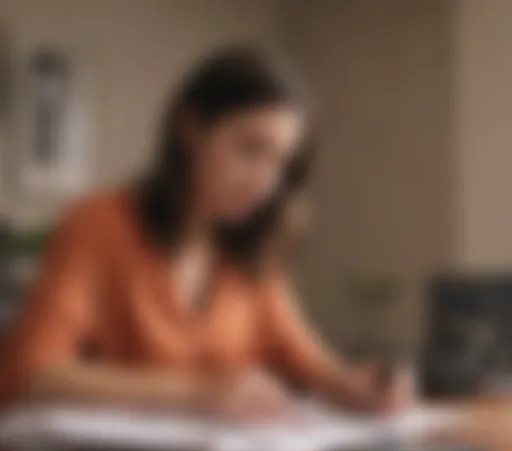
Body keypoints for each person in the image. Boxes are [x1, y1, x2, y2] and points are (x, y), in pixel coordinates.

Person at [2, 46, 412, 418]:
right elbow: (35, 372)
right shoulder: (98, 223)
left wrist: (352, 387)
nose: (264, 182)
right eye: (250, 149)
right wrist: (195, 393)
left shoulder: (250, 247)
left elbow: (305, 361)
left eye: (280, 163)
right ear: (191, 128)